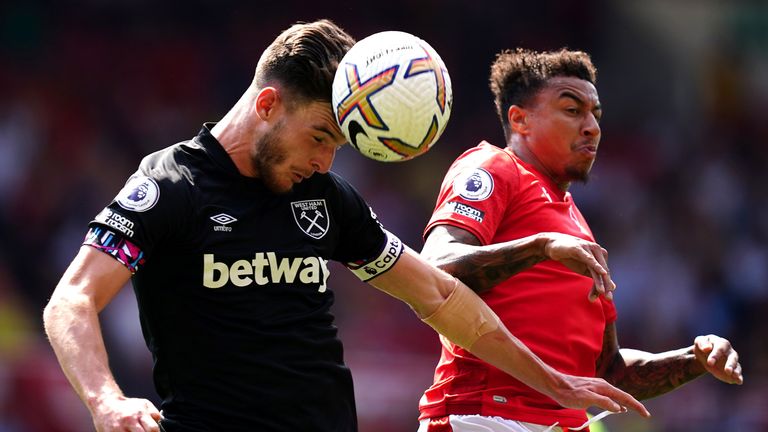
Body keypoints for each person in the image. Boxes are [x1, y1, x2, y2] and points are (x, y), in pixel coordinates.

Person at [42, 21, 649, 432]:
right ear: (267, 105)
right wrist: (107, 400)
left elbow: (438, 295)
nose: (326, 162)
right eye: (320, 139)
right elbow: (71, 299)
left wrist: (557, 385)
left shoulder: (324, 198)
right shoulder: (173, 185)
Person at [417, 48, 744, 432]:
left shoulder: (575, 223)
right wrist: (540, 246)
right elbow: (434, 269)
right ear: (519, 119)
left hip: (564, 423)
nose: (591, 126)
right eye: (572, 111)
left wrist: (694, 360)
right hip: (487, 416)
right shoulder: (494, 168)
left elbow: (608, 371)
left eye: (596, 114)